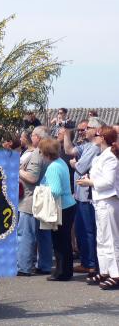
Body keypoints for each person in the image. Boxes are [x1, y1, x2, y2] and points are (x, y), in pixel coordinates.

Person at [77, 126, 119, 289]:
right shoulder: (102, 156)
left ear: (103, 138)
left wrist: (90, 182)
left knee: (111, 239)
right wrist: (89, 177)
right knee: (101, 239)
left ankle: (116, 274)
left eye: (97, 135)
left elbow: (108, 182)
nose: (94, 137)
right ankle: (105, 271)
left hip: (108, 200)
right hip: (100, 201)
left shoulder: (110, 157)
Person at [63, 117, 104, 274]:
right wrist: (67, 133)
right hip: (80, 194)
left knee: (87, 230)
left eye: (88, 128)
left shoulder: (94, 148)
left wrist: (74, 164)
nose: (84, 132)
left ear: (95, 130)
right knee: (81, 229)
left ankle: (91, 263)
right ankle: (87, 261)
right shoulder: (86, 145)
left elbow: (80, 167)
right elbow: (69, 151)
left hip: (87, 196)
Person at [39, 138, 77, 281]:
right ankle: (67, 270)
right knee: (65, 240)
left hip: (61, 207)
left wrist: (43, 190)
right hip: (69, 205)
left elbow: (55, 190)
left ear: (46, 153)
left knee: (59, 241)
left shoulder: (53, 167)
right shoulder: (61, 162)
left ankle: (61, 272)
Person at [17, 126, 52, 276]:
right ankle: (45, 265)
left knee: (26, 234)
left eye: (33, 135)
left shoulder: (37, 153)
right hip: (44, 197)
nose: (31, 137)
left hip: (30, 198)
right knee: (43, 234)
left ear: (37, 137)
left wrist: (17, 169)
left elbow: (32, 177)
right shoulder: (49, 153)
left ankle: (24, 267)